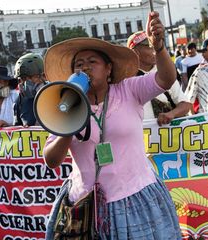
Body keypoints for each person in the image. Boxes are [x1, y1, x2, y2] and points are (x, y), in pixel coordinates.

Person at [43, 11, 181, 239]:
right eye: (79, 64)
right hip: (83, 204)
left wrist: (159, 48)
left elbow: (166, 79)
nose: (85, 68)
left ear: (108, 69)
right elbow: (51, 159)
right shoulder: (64, 104)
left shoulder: (129, 89)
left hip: (135, 198)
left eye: (92, 62)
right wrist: (69, 120)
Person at [127, 30, 191, 125]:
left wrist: (171, 114)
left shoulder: (164, 74)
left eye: (155, 45)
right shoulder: (126, 81)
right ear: (136, 52)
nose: (154, 49)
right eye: (149, 46)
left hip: (167, 137)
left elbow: (186, 105)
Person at [14, 53, 47, 126]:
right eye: (23, 78)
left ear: (43, 76)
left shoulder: (55, 94)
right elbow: (18, 127)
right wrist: (7, 126)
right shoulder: (20, 99)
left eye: (31, 77)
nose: (26, 82)